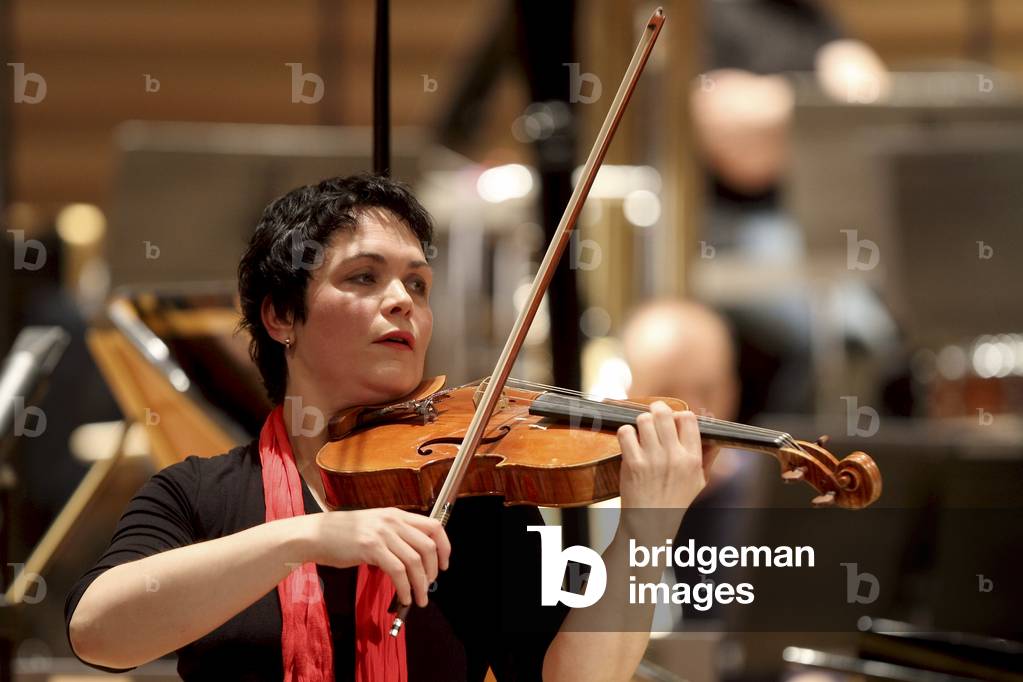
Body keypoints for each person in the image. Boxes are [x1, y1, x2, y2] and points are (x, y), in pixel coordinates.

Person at [64, 174, 719, 681]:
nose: (404, 300)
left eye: (418, 284)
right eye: (363, 277)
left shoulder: (470, 505)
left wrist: (646, 533)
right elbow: (99, 632)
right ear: (280, 317)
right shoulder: (200, 495)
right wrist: (306, 537)